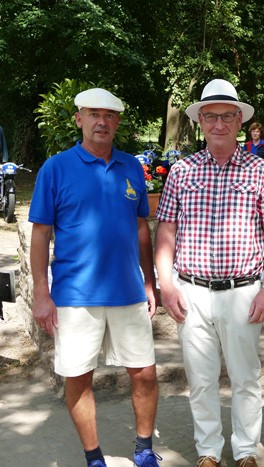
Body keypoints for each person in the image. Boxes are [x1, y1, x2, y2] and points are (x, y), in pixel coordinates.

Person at [154, 78, 264, 467]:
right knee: (202, 379)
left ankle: (245, 451)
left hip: (244, 291)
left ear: (240, 120)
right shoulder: (182, 171)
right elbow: (166, 231)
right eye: (211, 116)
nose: (219, 124)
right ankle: (208, 451)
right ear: (201, 121)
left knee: (245, 378)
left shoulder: (262, 172)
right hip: (191, 291)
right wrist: (166, 284)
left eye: (228, 116)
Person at [29, 88, 160, 467]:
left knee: (146, 375)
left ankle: (144, 449)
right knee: (79, 377)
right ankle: (93, 456)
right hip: (74, 295)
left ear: (117, 122)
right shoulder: (55, 168)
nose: (101, 121)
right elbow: (40, 233)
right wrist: (41, 291)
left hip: (129, 292)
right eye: (93, 114)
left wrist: (149, 281)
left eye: (109, 115)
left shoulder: (132, 167)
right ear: (79, 119)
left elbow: (140, 227)